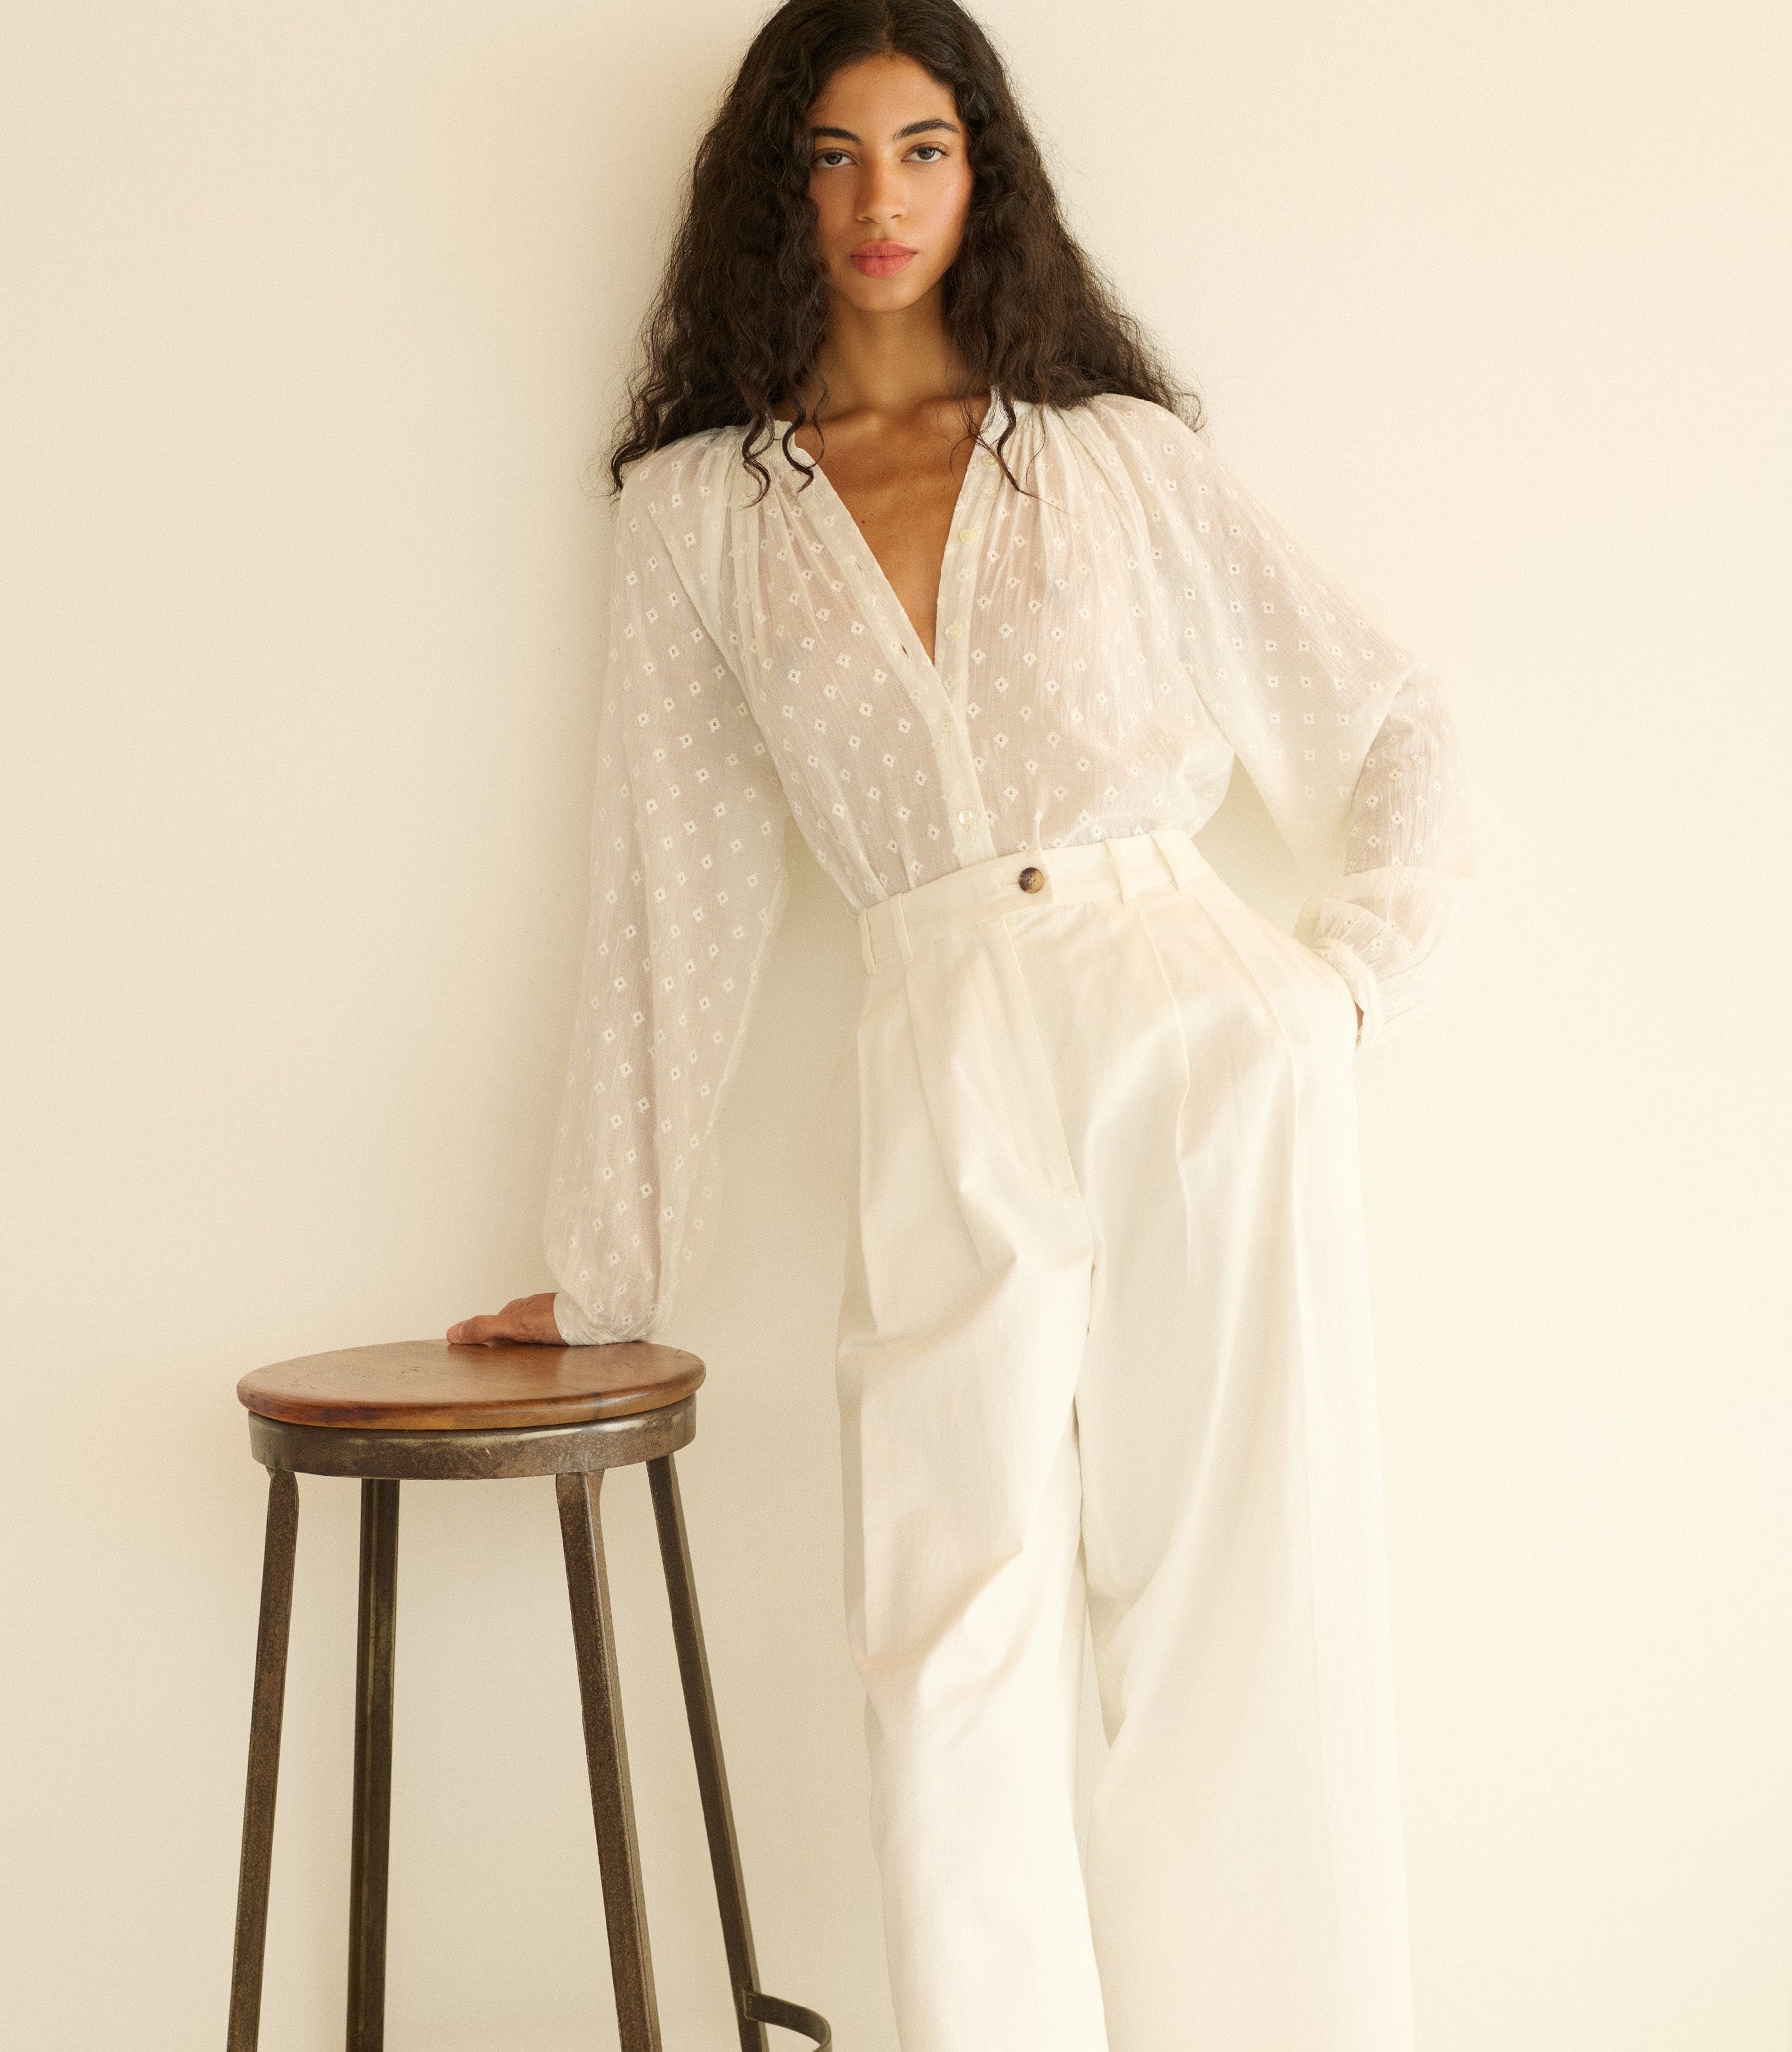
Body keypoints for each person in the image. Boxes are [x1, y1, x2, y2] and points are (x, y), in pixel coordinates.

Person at [450, 4, 1476, 2047]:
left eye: (922, 147)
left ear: (981, 173)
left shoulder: (1113, 460)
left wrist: (1338, 981)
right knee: (947, 1650)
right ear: (777, 189)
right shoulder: (701, 517)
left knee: (1238, 1623)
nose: (880, 196)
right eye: (832, 153)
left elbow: (1395, 717)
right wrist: (609, 1269)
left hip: (1194, 1029)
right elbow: (669, 896)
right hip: (939, 1056)